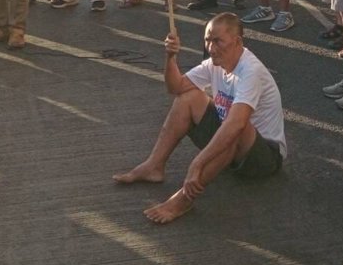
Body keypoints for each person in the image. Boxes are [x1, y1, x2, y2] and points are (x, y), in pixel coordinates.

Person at [112, 13, 285, 225]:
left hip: (264, 158)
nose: (211, 48)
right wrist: (171, 57)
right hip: (233, 147)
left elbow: (236, 124)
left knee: (236, 127)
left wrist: (197, 162)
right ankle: (154, 166)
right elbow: (175, 87)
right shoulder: (215, 62)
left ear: (237, 42)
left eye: (217, 41)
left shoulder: (251, 71)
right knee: (188, 98)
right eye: (207, 40)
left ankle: (184, 200)